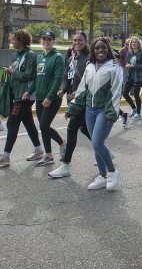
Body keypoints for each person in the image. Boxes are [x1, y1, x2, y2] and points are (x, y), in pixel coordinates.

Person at [65, 37, 122, 191]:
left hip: (104, 111)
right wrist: (72, 109)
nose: (100, 50)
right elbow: (82, 90)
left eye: (103, 47)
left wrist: (112, 113)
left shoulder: (114, 68)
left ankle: (112, 172)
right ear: (93, 51)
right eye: (97, 48)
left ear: (108, 49)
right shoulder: (90, 66)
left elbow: (116, 93)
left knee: (97, 142)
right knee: (95, 145)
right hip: (89, 110)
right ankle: (102, 176)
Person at [0, 29, 43, 166]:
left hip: (25, 96)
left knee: (12, 123)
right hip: (16, 95)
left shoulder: (31, 56)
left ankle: (5, 156)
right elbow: (15, 75)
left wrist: (13, 72)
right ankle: (39, 150)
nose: (11, 42)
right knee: (28, 123)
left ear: (21, 41)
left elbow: (29, 76)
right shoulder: (15, 55)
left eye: (13, 39)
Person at [49, 31, 91, 178]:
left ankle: (65, 165)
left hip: (84, 100)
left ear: (85, 41)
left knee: (72, 128)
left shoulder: (89, 58)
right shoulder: (71, 59)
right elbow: (66, 77)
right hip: (72, 99)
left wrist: (79, 92)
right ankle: (105, 151)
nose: (77, 42)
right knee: (84, 128)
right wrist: (62, 89)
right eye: (75, 40)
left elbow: (91, 80)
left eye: (80, 40)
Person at [24, 31, 65, 166]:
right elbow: (36, 78)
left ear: (54, 41)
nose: (46, 42)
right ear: (41, 41)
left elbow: (58, 79)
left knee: (44, 125)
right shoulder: (39, 56)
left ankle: (61, 144)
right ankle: (48, 155)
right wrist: (29, 92)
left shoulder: (58, 57)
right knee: (44, 128)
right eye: (44, 39)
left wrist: (49, 97)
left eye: (49, 40)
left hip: (51, 98)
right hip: (40, 98)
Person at [123, 37, 142, 120]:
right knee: (125, 93)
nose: (134, 44)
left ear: (138, 44)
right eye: (132, 42)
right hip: (130, 77)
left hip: (139, 77)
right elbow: (127, 62)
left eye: (136, 42)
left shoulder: (141, 53)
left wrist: (133, 66)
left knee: (136, 95)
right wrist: (127, 65)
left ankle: (139, 114)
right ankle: (134, 108)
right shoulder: (129, 53)